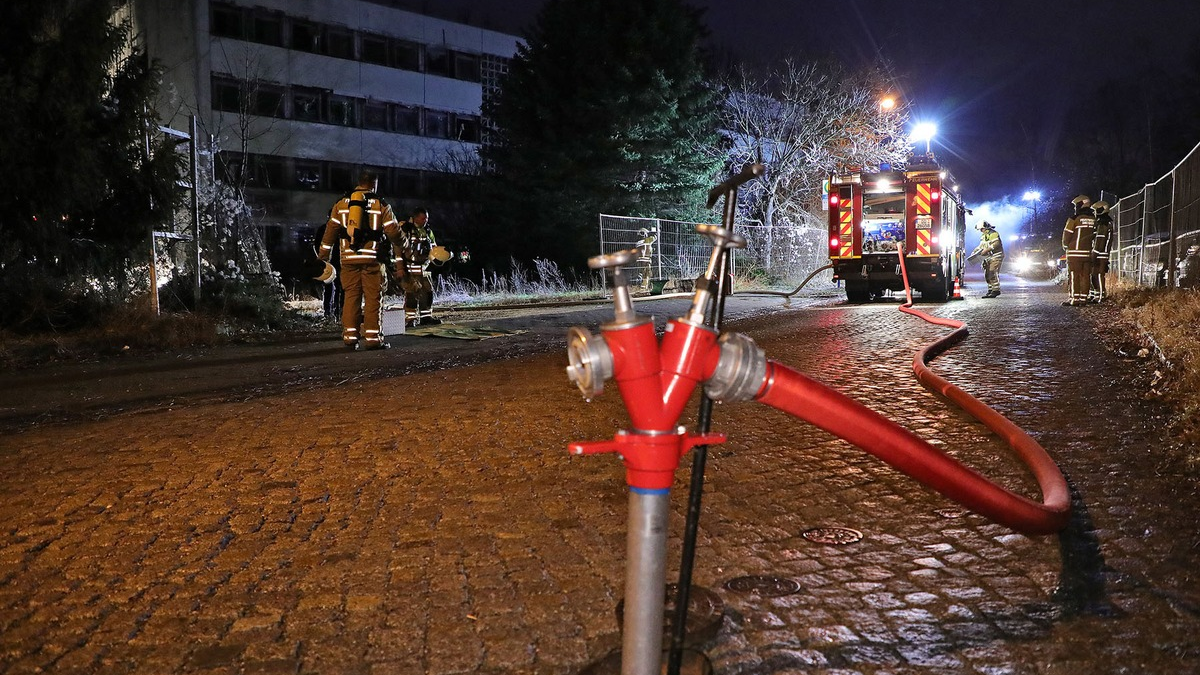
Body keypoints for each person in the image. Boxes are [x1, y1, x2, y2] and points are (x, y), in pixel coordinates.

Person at [317, 169, 401, 350]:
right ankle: (373, 339)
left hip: (348, 259)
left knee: (351, 297)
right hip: (372, 260)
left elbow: (329, 233)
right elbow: (393, 232)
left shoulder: (340, 204)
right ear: (374, 184)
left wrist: (322, 259)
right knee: (373, 299)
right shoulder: (380, 204)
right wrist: (404, 245)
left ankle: (350, 338)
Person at [396, 207, 441, 328]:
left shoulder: (428, 230)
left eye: (426, 218)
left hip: (424, 268)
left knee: (428, 292)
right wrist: (400, 268)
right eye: (423, 218)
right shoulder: (406, 229)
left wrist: (439, 257)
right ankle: (409, 319)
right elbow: (398, 250)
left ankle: (426, 318)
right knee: (411, 294)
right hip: (410, 268)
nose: (425, 220)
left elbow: (434, 247)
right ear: (415, 218)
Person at [1061, 194, 1096, 306]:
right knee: (1085, 276)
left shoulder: (1074, 219)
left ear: (1080, 205)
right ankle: (1083, 299)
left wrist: (1065, 245)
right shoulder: (1094, 219)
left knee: (1074, 275)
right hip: (1087, 254)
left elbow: (1066, 236)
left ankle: (1075, 299)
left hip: (1074, 253)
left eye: (1076, 205)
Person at [967, 221, 1004, 297]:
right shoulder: (983, 236)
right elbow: (981, 246)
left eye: (981, 229)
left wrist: (987, 250)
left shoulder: (994, 234)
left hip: (996, 256)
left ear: (986, 228)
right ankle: (990, 290)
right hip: (988, 257)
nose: (981, 231)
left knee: (992, 271)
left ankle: (996, 290)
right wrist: (975, 251)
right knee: (987, 274)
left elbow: (996, 244)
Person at [1089, 200, 1113, 303]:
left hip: (1100, 254)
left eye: (1096, 210)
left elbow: (1100, 240)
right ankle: (1095, 295)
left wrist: (1094, 254)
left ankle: (1101, 296)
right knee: (1094, 275)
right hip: (1101, 253)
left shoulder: (1103, 223)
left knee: (1098, 275)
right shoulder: (1103, 222)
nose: (1095, 212)